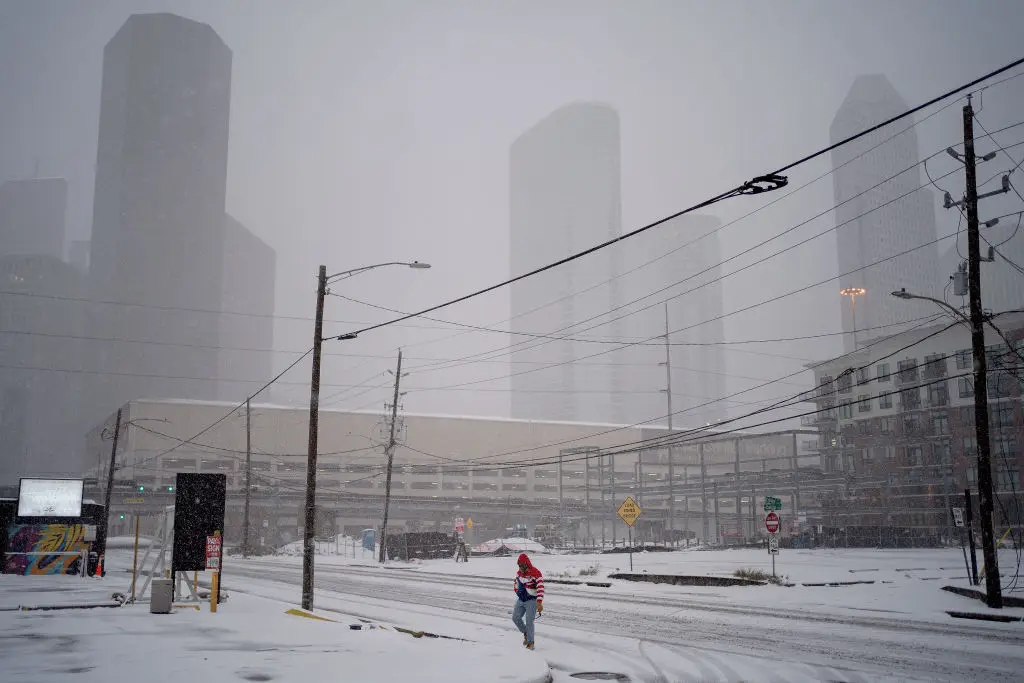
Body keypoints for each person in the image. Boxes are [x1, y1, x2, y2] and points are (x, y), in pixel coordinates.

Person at [512, 552, 544, 650]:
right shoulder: (519, 574)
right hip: (521, 599)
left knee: (529, 621)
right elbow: (516, 584)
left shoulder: (536, 573)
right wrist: (517, 591)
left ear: (527, 563)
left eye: (522, 565)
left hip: (532, 600)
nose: (520, 567)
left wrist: (539, 602)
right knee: (515, 618)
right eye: (519, 565)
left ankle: (531, 643)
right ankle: (526, 632)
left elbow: (541, 587)